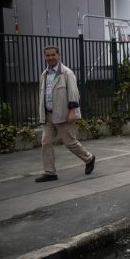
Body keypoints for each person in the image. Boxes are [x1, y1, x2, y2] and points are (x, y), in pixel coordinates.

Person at [35, 45, 95, 182]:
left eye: (52, 55)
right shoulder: (44, 74)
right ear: (45, 57)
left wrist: (72, 111)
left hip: (63, 113)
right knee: (46, 142)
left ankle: (89, 158)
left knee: (69, 142)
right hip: (48, 114)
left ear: (58, 55)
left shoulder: (66, 73)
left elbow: (74, 92)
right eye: (47, 55)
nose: (50, 58)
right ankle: (50, 172)